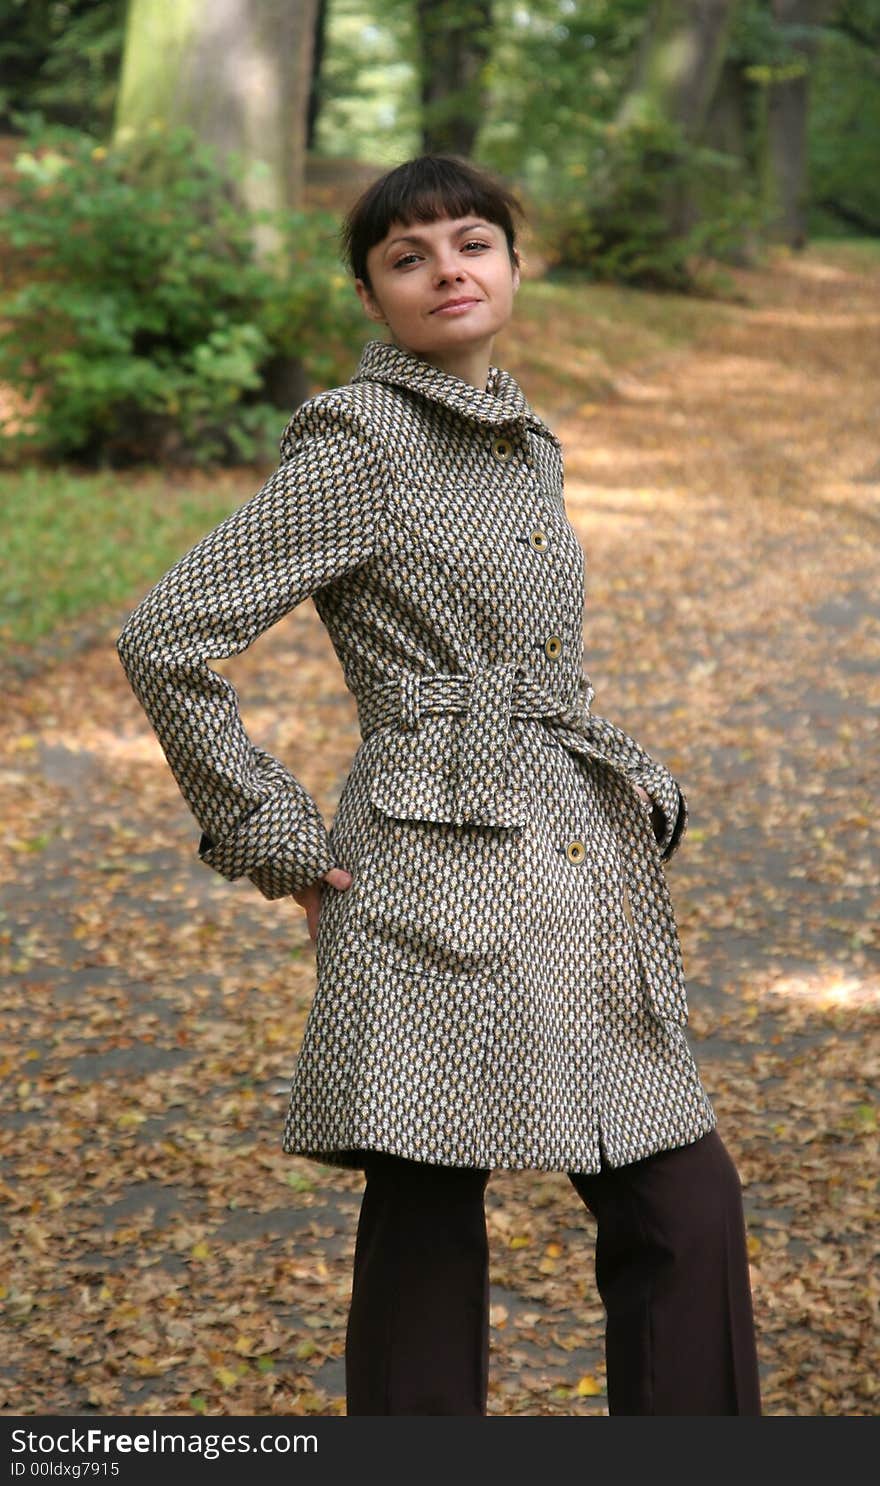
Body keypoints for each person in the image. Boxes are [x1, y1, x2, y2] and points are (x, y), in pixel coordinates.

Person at [116, 152, 762, 1417]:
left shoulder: (527, 438)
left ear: (516, 265)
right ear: (371, 296)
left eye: (472, 241)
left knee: (682, 1197)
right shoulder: (360, 441)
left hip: (575, 858)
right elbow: (166, 632)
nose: (446, 270)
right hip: (432, 865)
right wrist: (270, 832)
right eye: (407, 257)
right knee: (425, 1203)